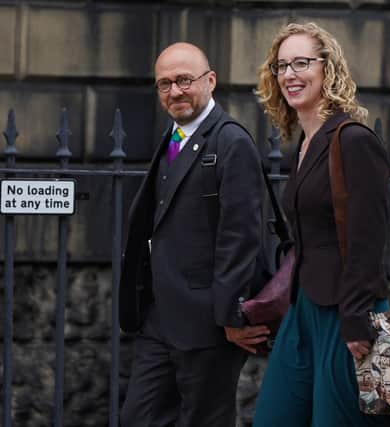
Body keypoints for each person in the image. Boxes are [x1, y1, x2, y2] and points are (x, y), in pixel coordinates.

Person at [252, 23, 390, 426]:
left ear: (327, 68)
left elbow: (369, 237)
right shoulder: (305, 142)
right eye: (281, 66)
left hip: (345, 311)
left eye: (302, 63)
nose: (290, 74)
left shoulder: (353, 140)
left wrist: (356, 319)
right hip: (304, 309)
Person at [119, 42, 270, 427]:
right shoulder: (172, 137)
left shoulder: (232, 141)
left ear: (211, 81)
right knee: (139, 416)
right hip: (161, 317)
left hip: (210, 324)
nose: (174, 91)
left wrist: (232, 314)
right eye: (164, 84)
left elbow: (241, 236)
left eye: (184, 80)